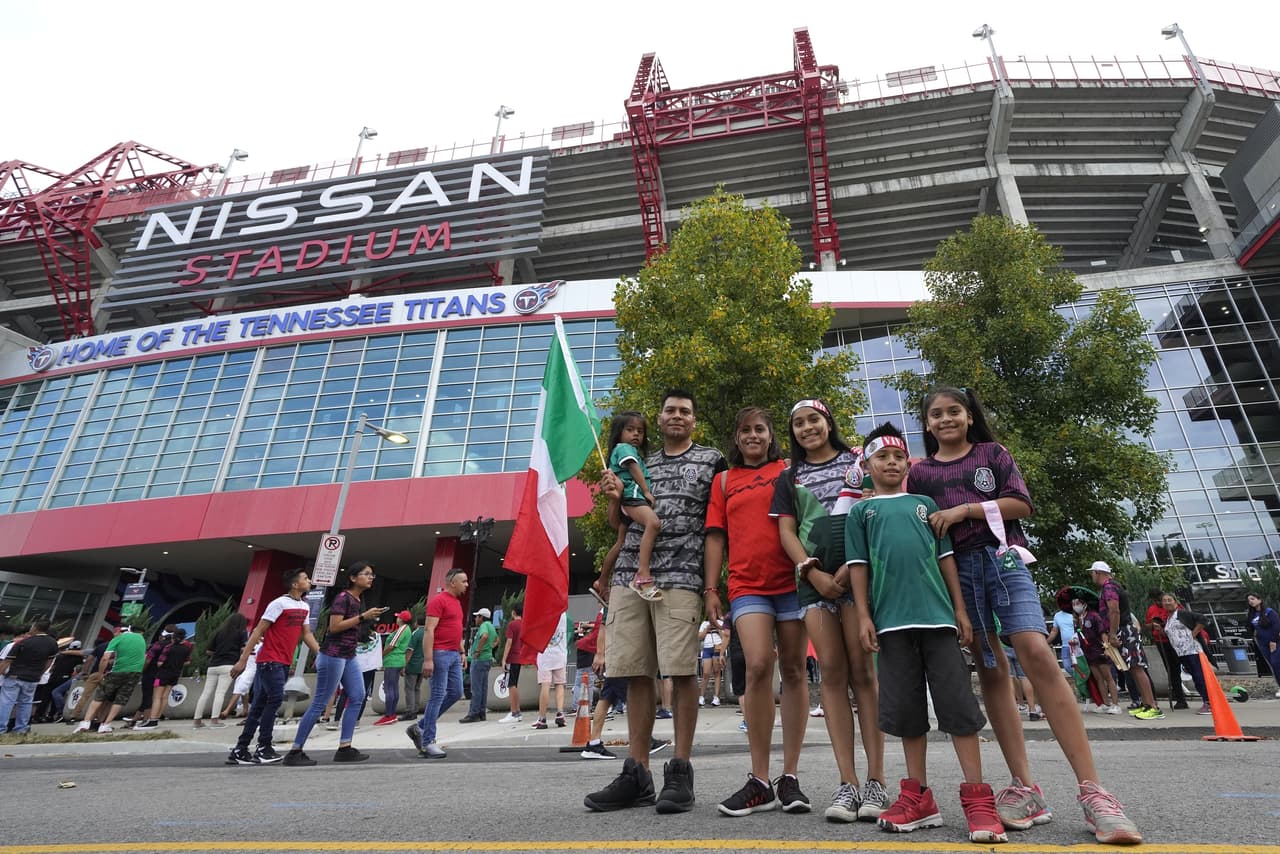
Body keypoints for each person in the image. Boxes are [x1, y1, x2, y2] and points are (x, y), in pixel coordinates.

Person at [907, 385, 1142, 844]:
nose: (946, 419)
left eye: (954, 411)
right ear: (927, 423)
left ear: (969, 416)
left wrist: (964, 510)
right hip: (957, 574)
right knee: (992, 670)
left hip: (1004, 561)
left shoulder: (993, 454)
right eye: (936, 414)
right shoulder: (921, 474)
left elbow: (1021, 504)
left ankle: (1094, 793)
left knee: (1035, 652)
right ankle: (1025, 787)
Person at [847, 424, 1006, 843]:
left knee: (958, 706)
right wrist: (863, 615)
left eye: (899, 457)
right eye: (882, 457)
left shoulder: (926, 505)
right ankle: (918, 796)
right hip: (890, 624)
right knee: (906, 712)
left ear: (908, 464)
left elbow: (946, 559)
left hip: (938, 620)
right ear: (867, 466)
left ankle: (978, 797)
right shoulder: (861, 513)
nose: (892, 463)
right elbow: (859, 567)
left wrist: (960, 610)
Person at [584, 389, 726, 814]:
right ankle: (637, 773)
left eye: (685, 411)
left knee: (681, 672)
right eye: (669, 411)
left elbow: (717, 527)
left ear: (694, 420)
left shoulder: (711, 460)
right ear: (659, 419)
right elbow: (618, 523)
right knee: (635, 673)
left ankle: (679, 770)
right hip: (630, 578)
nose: (677, 416)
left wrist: (712, 586)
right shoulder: (636, 460)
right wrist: (613, 497)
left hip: (681, 577)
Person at [772, 398, 888, 822]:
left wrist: (851, 567)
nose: (807, 428)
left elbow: (874, 508)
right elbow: (787, 531)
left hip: (858, 578)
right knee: (833, 676)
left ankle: (876, 781)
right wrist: (812, 572)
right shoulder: (789, 476)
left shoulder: (858, 459)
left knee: (864, 674)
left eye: (814, 420)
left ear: (828, 422)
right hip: (812, 586)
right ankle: (847, 783)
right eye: (799, 423)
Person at [704, 406, 812, 818]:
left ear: (771, 435)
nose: (753, 435)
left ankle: (790, 777)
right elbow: (716, 537)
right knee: (758, 665)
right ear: (737, 437)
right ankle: (760, 780)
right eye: (746, 430)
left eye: (760, 429)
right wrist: (711, 589)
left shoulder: (789, 470)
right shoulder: (724, 481)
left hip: (793, 584)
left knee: (796, 669)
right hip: (747, 586)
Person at [284, 561, 384, 766]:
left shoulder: (357, 599)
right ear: (353, 578)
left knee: (358, 696)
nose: (370, 578)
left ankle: (345, 747)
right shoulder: (343, 598)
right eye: (366, 574)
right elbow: (335, 627)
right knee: (321, 701)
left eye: (372, 575)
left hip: (348, 655)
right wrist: (363, 617)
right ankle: (295, 751)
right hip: (333, 654)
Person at [226, 568, 320, 766]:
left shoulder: (304, 606)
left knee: (259, 705)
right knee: (274, 699)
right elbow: (258, 630)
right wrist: (243, 660)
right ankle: (264, 747)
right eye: (305, 578)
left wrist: (321, 654)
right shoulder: (278, 603)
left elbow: (306, 634)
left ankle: (240, 749)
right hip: (270, 660)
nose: (309, 581)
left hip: (283, 662)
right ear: (295, 584)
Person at [601, 411, 663, 601]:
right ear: (619, 432)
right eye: (630, 429)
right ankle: (642, 574)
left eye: (640, 431)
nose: (636, 434)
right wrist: (646, 491)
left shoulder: (629, 451)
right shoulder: (624, 449)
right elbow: (634, 468)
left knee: (620, 542)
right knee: (653, 523)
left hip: (626, 499)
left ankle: (601, 581)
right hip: (632, 495)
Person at [1089, 561, 1161, 720]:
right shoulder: (1113, 586)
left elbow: (1114, 611)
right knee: (1132, 668)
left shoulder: (1109, 587)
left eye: (1092, 573)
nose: (1091, 576)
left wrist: (1113, 634)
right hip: (1123, 629)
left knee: (1137, 667)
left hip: (1124, 630)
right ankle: (1146, 704)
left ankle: (1152, 706)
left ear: (1098, 572)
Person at [408, 567, 468, 759]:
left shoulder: (456, 603)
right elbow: (429, 630)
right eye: (463, 581)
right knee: (437, 695)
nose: (467, 585)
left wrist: (461, 651)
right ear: (452, 583)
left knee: (456, 692)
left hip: (453, 654)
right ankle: (428, 742)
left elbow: (455, 628)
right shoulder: (438, 601)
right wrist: (428, 659)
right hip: (439, 654)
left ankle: (420, 727)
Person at [74, 624, 146, 735]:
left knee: (100, 697)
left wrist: (101, 673)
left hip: (117, 671)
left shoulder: (118, 638)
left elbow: (105, 658)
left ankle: (85, 723)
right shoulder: (142, 639)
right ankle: (105, 725)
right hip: (135, 673)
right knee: (120, 699)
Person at [0, 619, 59, 735]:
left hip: (15, 675)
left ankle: (1, 728)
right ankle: (21, 729)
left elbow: (7, 661)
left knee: (6, 702)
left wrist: (2, 672)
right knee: (26, 703)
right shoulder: (52, 643)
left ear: (35, 628)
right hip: (33, 678)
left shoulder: (24, 642)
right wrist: (40, 673)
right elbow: (49, 662)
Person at [193, 613, 248, 728]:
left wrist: (220, 652)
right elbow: (244, 648)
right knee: (220, 693)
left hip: (213, 666)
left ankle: (197, 720)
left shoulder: (219, 632)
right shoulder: (241, 633)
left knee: (206, 693)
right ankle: (214, 720)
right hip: (228, 665)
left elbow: (208, 651)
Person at [1160, 594, 1211, 715]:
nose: (1167, 602)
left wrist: (1193, 634)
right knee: (1195, 676)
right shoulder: (1169, 618)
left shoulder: (1182, 614)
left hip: (1192, 650)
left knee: (1198, 676)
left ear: (1175, 602)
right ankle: (1207, 700)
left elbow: (1203, 619)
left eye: (1169, 600)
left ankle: (1208, 702)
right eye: (1164, 601)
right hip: (1181, 653)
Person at [135, 627, 191, 729]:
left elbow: (160, 663)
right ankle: (157, 718)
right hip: (175, 674)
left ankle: (152, 719)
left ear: (173, 638)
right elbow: (187, 662)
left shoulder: (168, 648)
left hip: (162, 674)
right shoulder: (186, 649)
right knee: (165, 697)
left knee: (156, 697)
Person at [1076, 596, 1121, 714]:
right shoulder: (1078, 619)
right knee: (1098, 678)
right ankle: (1105, 704)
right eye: (1074, 604)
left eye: (1078, 603)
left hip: (1098, 650)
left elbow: (1102, 633)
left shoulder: (1094, 616)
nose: (1075, 606)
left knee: (1108, 677)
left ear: (1084, 604)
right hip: (1088, 652)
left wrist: (1106, 647)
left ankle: (1116, 704)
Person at [1145, 588, 1188, 710]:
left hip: (1176, 641)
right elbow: (1147, 625)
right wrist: (1153, 625)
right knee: (1171, 670)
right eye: (1156, 600)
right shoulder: (1152, 609)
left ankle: (1204, 697)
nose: (1159, 602)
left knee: (1185, 667)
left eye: (1160, 599)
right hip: (1162, 642)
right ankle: (1180, 698)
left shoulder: (1173, 606)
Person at [460, 607, 498, 723]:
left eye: (477, 616)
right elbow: (497, 640)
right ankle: (481, 713)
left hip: (479, 660)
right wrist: (489, 648)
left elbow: (484, 636)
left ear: (481, 617)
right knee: (483, 688)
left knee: (476, 688)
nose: (475, 618)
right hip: (487, 659)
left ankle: (473, 713)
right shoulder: (491, 626)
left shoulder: (484, 626)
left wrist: (478, 651)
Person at [375, 609, 412, 726]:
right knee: (394, 688)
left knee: (389, 688)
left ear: (401, 619)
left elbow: (392, 645)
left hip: (392, 661)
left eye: (398, 617)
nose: (397, 618)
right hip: (398, 661)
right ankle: (392, 714)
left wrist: (380, 655)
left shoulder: (402, 629)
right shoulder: (407, 629)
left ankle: (388, 715)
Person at [532, 611, 569, 729]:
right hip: (560, 653)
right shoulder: (563, 614)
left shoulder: (542, 613)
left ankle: (542, 718)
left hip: (545, 654)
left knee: (545, 685)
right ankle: (560, 713)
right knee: (560, 684)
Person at [1246, 593, 1280, 698]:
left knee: (1276, 663)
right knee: (1272, 666)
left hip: (1275, 642)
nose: (1251, 601)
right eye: (1249, 600)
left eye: (1252, 599)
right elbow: (1251, 628)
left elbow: (1277, 625)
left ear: (1259, 600)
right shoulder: (1252, 614)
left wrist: (1273, 641)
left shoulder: (1269, 612)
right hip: (1262, 643)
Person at [498, 604, 527, 724]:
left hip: (512, 658)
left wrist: (504, 659)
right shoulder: (524, 624)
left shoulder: (512, 625)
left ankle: (514, 712)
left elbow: (509, 642)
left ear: (513, 612)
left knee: (511, 685)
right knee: (514, 684)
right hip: (520, 657)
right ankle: (517, 712)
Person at [1047, 589, 1079, 678]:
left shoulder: (1076, 614)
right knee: (1067, 666)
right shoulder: (1057, 615)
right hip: (1065, 646)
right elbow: (1054, 631)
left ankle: (1081, 681)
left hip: (1077, 645)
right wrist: (1046, 642)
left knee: (1079, 665)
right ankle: (1079, 679)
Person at [697, 617, 725, 706]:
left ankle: (716, 697)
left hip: (717, 647)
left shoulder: (721, 623)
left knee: (717, 672)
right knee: (705, 673)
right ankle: (701, 696)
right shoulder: (704, 623)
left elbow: (724, 637)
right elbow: (699, 637)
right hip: (707, 648)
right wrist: (707, 628)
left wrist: (717, 628)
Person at [402, 615, 425, 721]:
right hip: (422, 665)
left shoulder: (415, 633)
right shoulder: (428, 633)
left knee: (409, 689)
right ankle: (415, 709)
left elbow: (410, 650)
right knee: (417, 688)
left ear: (416, 622)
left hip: (413, 665)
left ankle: (410, 711)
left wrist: (404, 665)